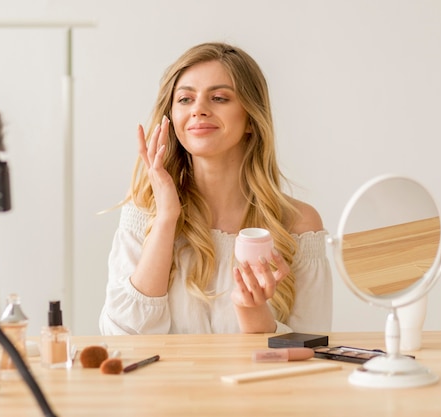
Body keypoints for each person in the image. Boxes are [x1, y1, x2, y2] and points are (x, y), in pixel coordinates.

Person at [99, 42, 332, 335]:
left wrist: (253, 313)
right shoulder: (144, 213)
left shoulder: (297, 225)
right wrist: (166, 219)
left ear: (251, 119)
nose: (198, 110)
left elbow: (311, 348)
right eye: (185, 99)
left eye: (219, 98)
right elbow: (124, 336)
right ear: (172, 119)